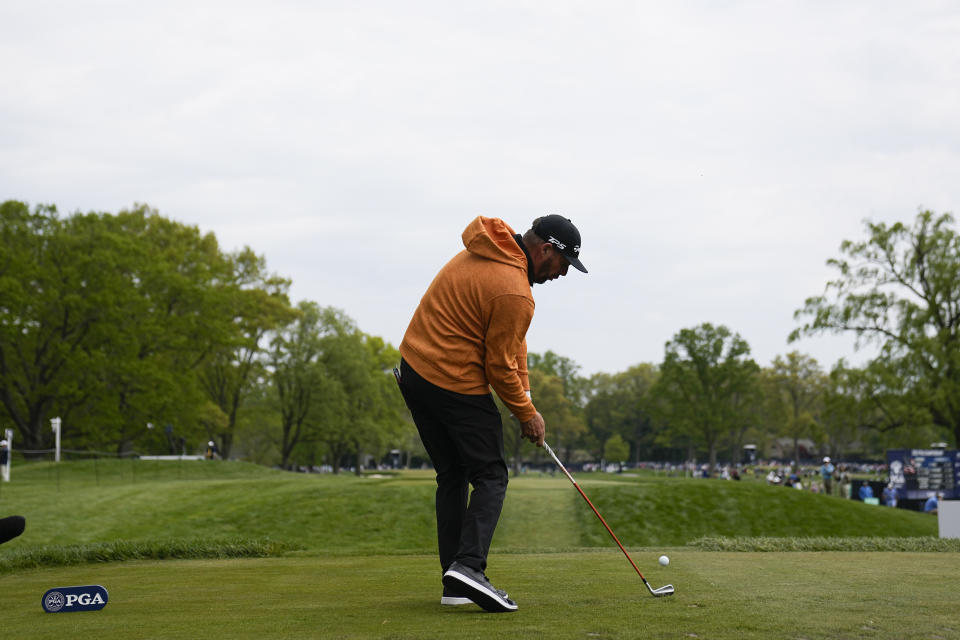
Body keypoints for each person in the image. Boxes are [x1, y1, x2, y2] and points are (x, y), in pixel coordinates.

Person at [395, 214, 586, 613]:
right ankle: (469, 567)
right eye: (563, 264)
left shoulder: (489, 252)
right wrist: (527, 414)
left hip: (415, 371)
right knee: (492, 475)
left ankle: (455, 581)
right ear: (545, 250)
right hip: (452, 378)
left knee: (453, 474)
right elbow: (498, 367)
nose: (562, 274)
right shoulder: (514, 290)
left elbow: (511, 341)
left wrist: (527, 395)